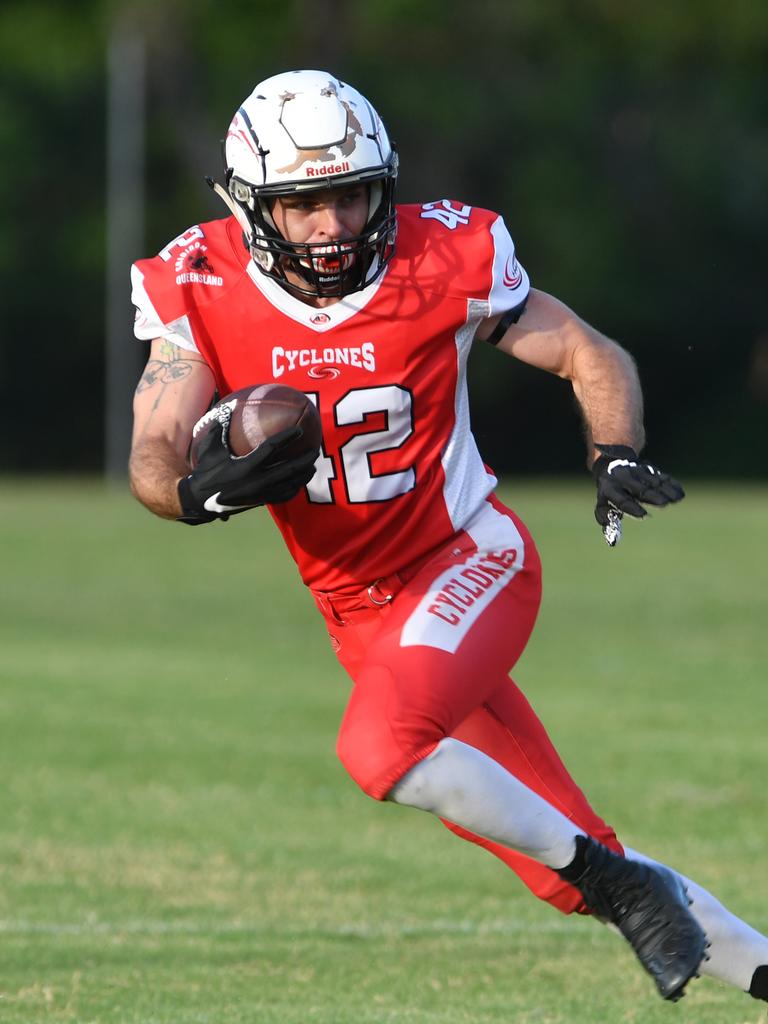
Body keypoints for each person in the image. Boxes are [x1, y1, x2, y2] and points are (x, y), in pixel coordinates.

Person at [129, 69, 768, 1004]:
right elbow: (153, 445)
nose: (334, 224)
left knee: (379, 749)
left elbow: (587, 350)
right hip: (359, 619)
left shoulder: (445, 253)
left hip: (469, 559)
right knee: (572, 867)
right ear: (253, 205)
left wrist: (616, 450)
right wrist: (190, 496)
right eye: (305, 204)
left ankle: (623, 888)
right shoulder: (199, 278)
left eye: (350, 195)